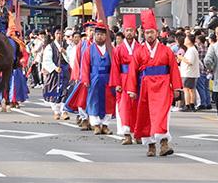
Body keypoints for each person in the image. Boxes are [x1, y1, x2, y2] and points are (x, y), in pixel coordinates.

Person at [124, 10, 181, 158]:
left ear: (156, 33)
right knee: (146, 116)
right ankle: (150, 145)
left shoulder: (166, 51)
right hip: (145, 87)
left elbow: (174, 68)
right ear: (144, 33)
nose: (150, 35)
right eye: (147, 32)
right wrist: (131, 89)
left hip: (163, 86)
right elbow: (132, 72)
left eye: (152, 32)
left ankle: (164, 144)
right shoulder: (139, 51)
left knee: (162, 115)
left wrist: (176, 88)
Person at [69, 23, 114, 135]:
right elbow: (85, 66)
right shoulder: (89, 49)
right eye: (98, 34)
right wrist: (85, 80)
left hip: (107, 78)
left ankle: (105, 125)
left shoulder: (111, 49)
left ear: (106, 37)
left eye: (102, 35)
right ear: (95, 36)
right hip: (94, 77)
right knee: (93, 102)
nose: (100, 37)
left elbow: (115, 66)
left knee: (108, 102)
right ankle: (96, 125)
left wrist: (114, 80)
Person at [109, 15, 139, 144]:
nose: (129, 33)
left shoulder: (140, 47)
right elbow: (115, 67)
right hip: (124, 79)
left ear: (135, 32)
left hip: (137, 80)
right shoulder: (119, 49)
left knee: (137, 107)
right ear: (124, 31)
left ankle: (138, 133)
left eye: (131, 30)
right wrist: (117, 83)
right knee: (124, 107)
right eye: (127, 30)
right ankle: (126, 134)